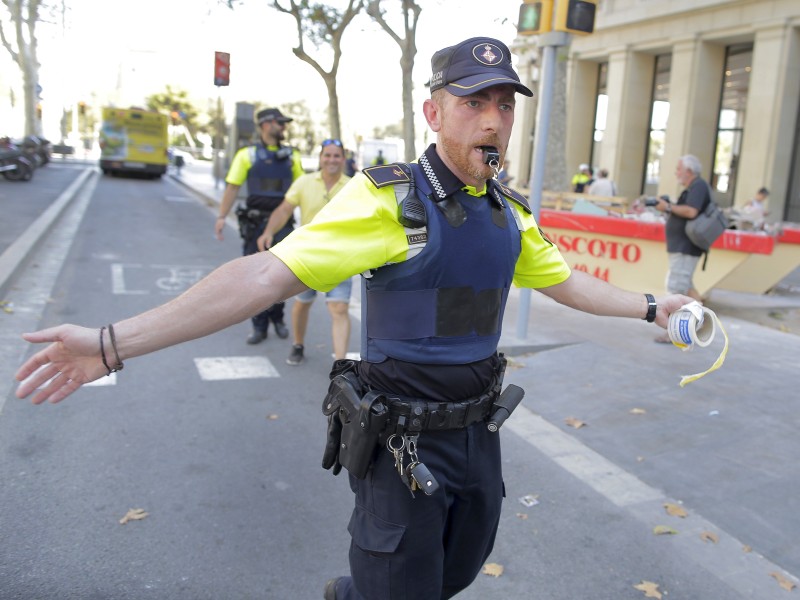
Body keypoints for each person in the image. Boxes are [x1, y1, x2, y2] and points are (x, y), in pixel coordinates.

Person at [15, 36, 694, 600]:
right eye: (472, 102)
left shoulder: (508, 215)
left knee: (453, 574)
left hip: (477, 440)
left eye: (502, 105)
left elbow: (569, 283)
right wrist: (109, 344)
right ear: (434, 113)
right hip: (402, 446)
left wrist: (651, 307)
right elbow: (259, 275)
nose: (491, 119)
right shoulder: (387, 203)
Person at [256, 138, 352, 366]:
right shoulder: (304, 182)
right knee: (302, 303)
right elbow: (284, 209)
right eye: (327, 155)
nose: (331, 160)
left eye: (336, 155)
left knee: (339, 308)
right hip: (308, 256)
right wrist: (268, 231)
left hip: (341, 257)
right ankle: (298, 344)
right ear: (320, 158)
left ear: (343, 159)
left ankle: (340, 366)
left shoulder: (354, 186)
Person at [214, 107, 305, 344]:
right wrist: (222, 216)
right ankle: (259, 325)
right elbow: (232, 187)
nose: (283, 127)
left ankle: (278, 319)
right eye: (279, 123)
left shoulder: (292, 156)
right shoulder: (247, 155)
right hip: (255, 223)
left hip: (283, 224)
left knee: (283, 275)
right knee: (254, 278)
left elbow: (302, 189)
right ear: (265, 124)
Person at [652, 154, 708, 341]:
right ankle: (702, 319)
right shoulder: (694, 187)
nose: (676, 173)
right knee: (687, 286)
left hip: (686, 247)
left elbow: (691, 211)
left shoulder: (698, 186)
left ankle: (675, 331)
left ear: (689, 171)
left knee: (677, 289)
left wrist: (668, 206)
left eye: (678, 169)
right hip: (684, 247)